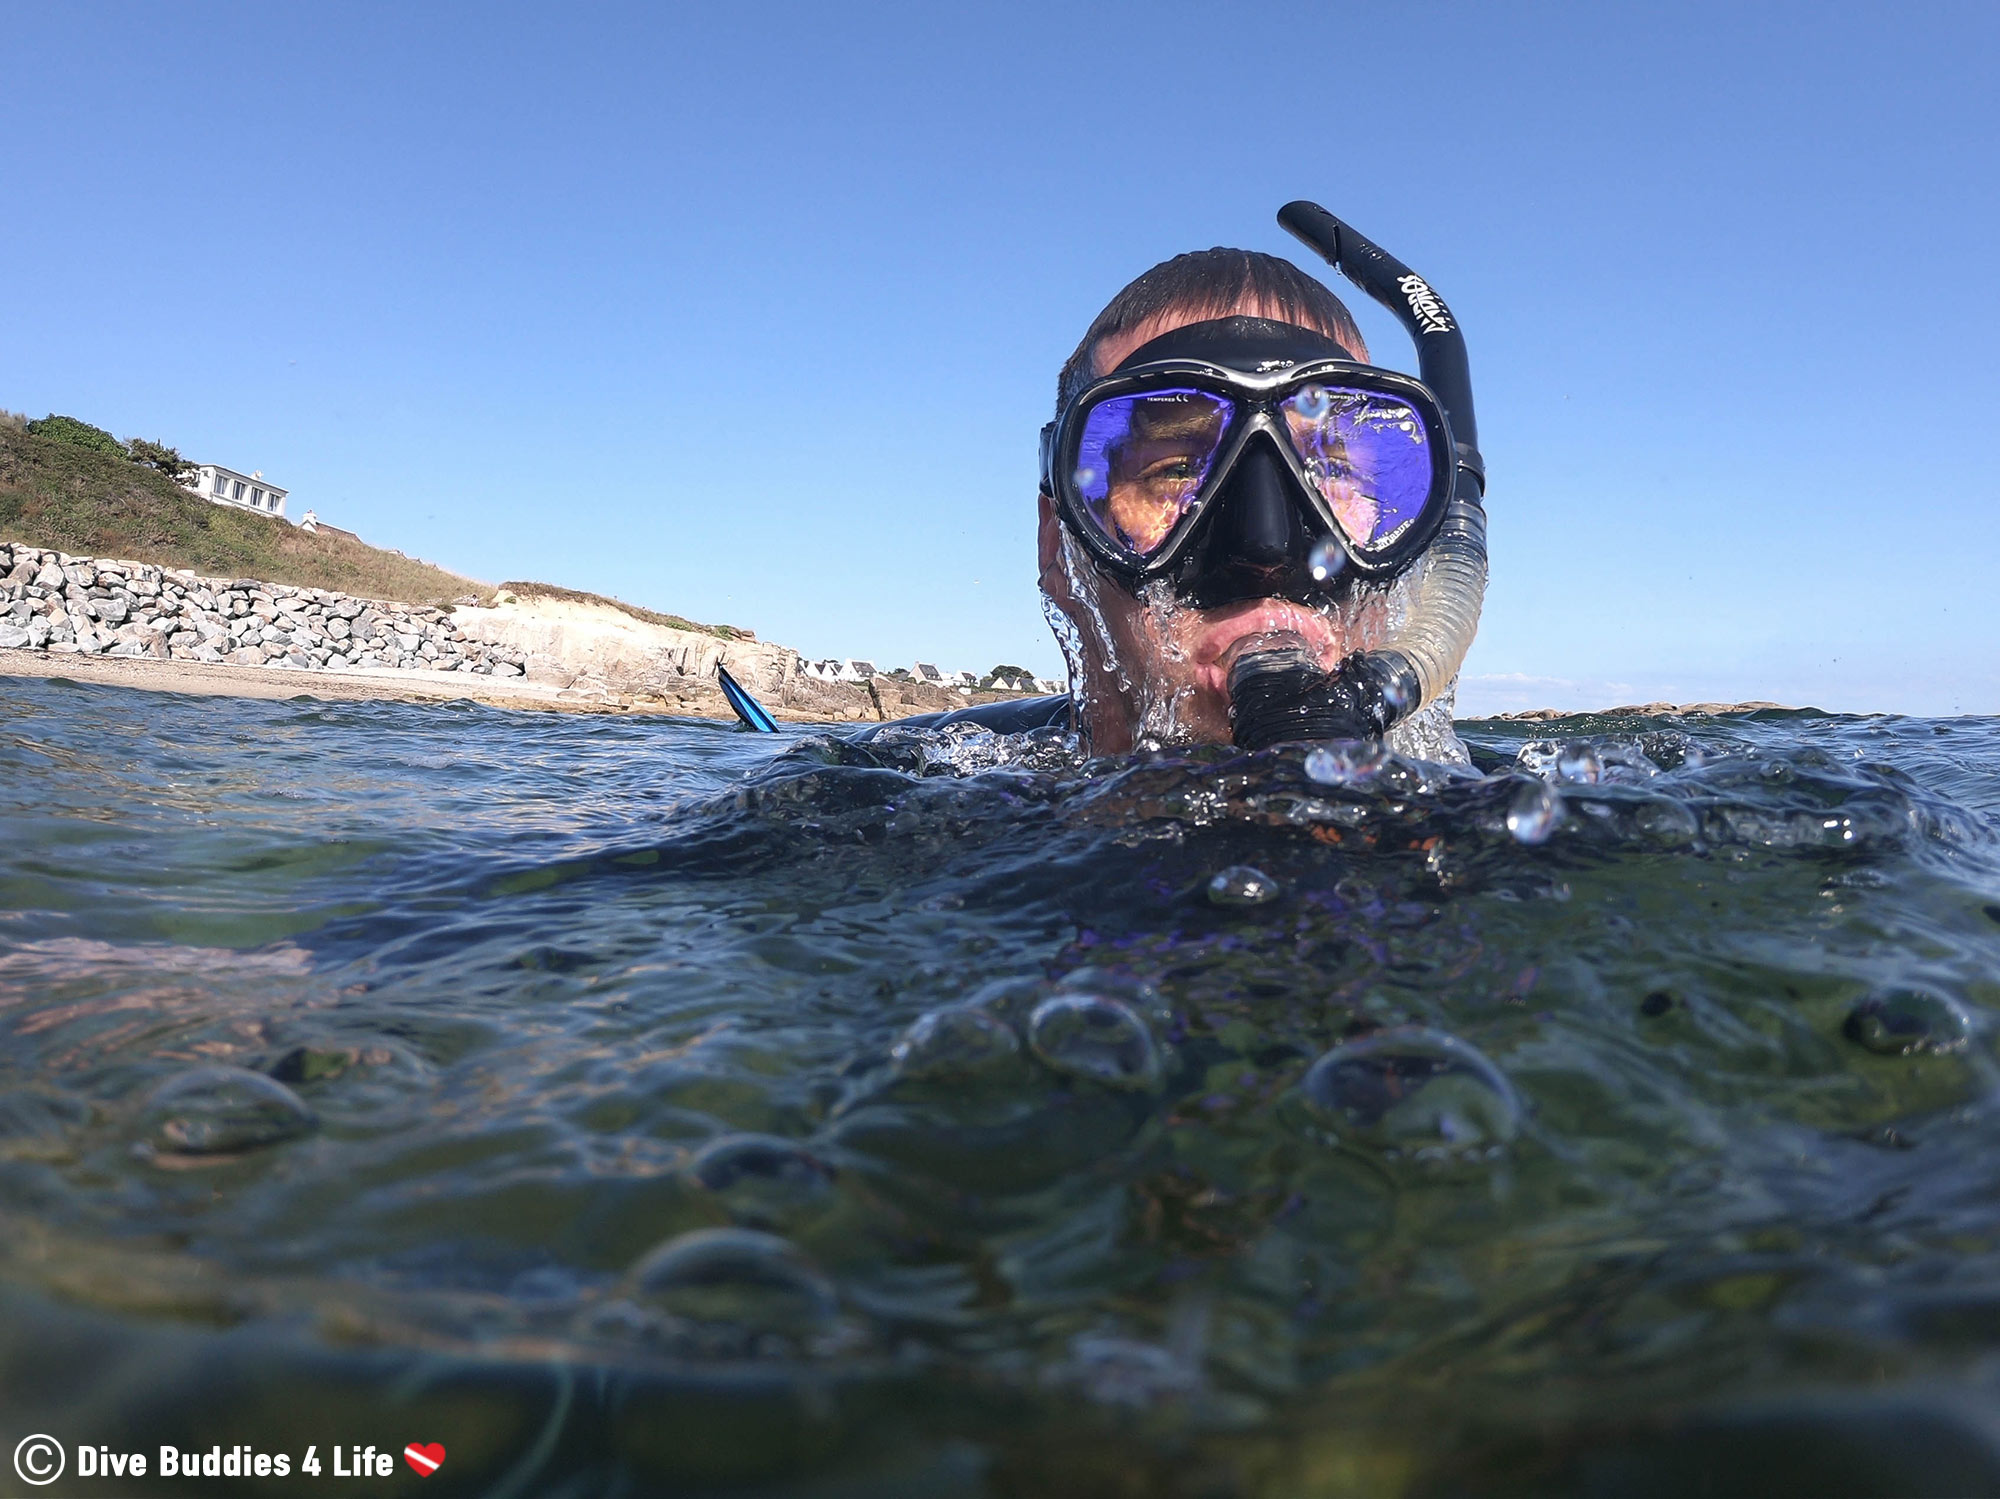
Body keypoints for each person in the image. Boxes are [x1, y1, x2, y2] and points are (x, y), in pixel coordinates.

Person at [894, 203, 1490, 762]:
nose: (1264, 547)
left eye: (1332, 470)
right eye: (1176, 469)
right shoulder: (917, 795)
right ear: (1059, 544)